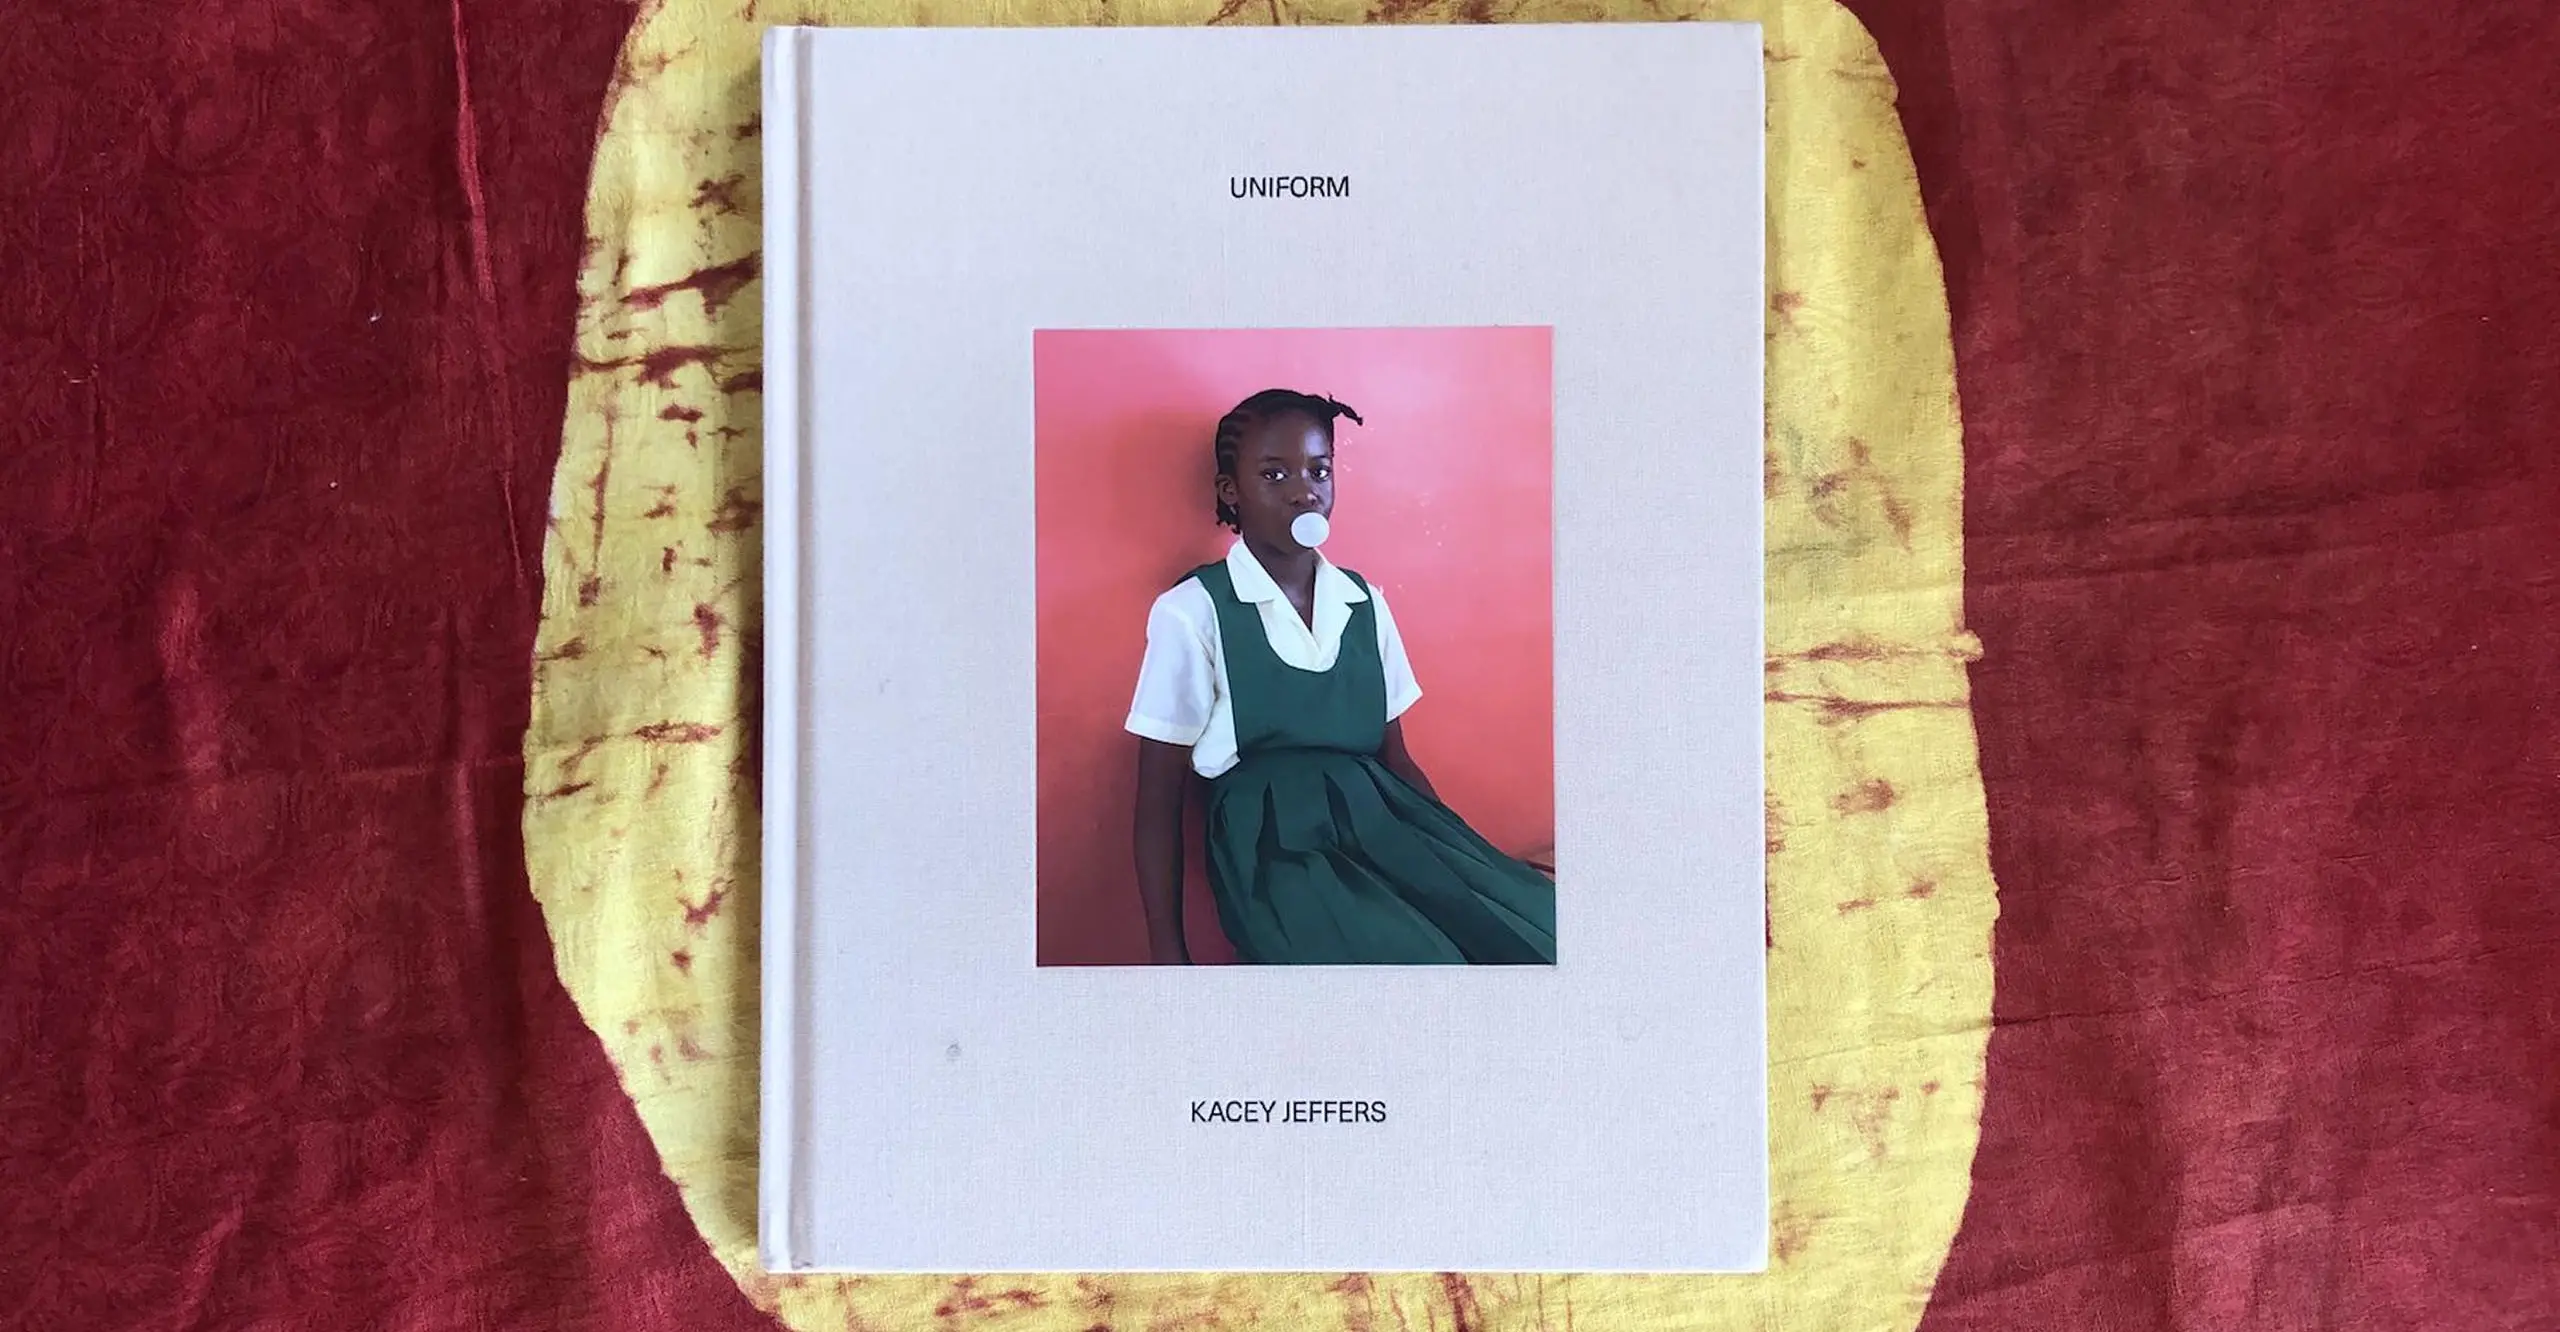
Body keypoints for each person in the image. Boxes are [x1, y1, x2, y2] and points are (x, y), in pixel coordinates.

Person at [1123, 388, 1558, 965]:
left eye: (1319, 469)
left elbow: (1395, 757)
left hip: (1382, 823)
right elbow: (1157, 797)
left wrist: (1465, 856)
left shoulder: (1363, 602)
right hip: (1276, 852)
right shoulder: (1193, 611)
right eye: (1274, 474)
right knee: (1417, 962)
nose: (1304, 489)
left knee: (1529, 928)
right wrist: (1166, 953)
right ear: (1233, 491)